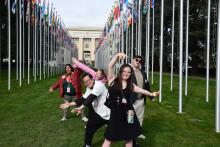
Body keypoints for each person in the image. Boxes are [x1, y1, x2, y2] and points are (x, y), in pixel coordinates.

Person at [102, 53, 159, 147]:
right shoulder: (112, 80)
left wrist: (152, 94)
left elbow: (142, 90)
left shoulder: (131, 85)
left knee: (129, 137)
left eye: (129, 72)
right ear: (120, 72)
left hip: (129, 113)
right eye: (124, 71)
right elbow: (110, 65)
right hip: (116, 114)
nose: (126, 74)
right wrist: (117, 56)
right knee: (109, 139)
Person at [60, 73, 110, 147]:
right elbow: (83, 99)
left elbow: (90, 98)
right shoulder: (89, 88)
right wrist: (69, 104)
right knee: (89, 127)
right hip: (99, 114)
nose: (87, 83)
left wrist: (81, 107)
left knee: (120, 132)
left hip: (111, 114)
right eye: (85, 82)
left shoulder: (99, 85)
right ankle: (87, 145)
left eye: (88, 80)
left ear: (93, 79)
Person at [131, 55, 154, 140]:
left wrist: (151, 96)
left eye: (140, 61)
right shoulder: (128, 72)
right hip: (131, 100)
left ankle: (138, 133)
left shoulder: (143, 73)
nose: (138, 62)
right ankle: (130, 134)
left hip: (141, 100)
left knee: (140, 117)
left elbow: (146, 86)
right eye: (137, 60)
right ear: (133, 60)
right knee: (131, 118)